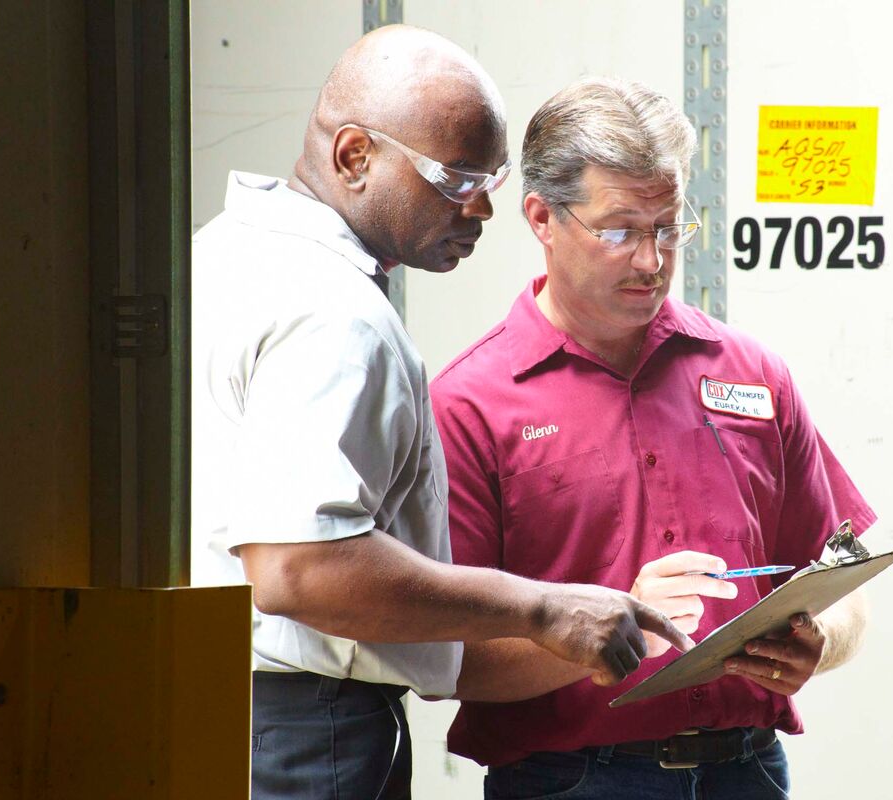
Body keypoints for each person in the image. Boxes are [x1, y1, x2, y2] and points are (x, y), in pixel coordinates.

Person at [191, 32, 691, 800]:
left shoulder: (224, 255)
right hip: (308, 728)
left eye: (488, 178)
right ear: (355, 156)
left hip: (223, 705)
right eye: (456, 178)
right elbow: (297, 566)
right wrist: (543, 606)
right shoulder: (337, 316)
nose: (482, 207)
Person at [430, 76, 877, 800]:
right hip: (572, 781)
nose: (651, 261)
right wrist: (604, 625)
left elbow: (842, 576)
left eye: (668, 228)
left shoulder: (752, 374)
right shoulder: (470, 406)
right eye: (619, 231)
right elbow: (449, 661)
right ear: (541, 218)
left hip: (750, 769)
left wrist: (821, 642)